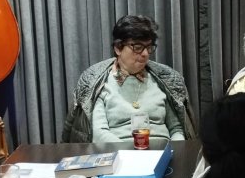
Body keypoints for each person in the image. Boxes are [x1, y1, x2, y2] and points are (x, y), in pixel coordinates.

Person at [61, 15, 197, 143]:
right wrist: (131, 155)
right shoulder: (99, 83)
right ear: (118, 48)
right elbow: (99, 133)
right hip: (118, 154)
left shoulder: (163, 81)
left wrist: (173, 151)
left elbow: (176, 129)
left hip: (163, 153)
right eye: (138, 47)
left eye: (149, 47)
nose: (145, 54)